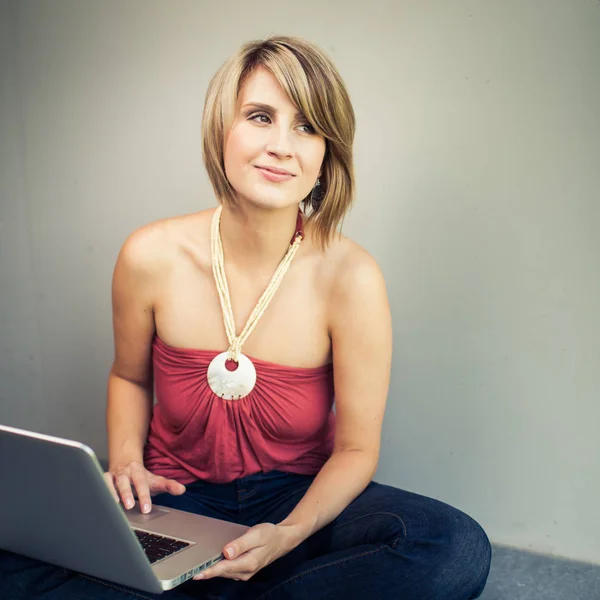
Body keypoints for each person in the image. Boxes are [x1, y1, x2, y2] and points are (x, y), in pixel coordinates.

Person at [0, 36, 491, 599]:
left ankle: (210, 582)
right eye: (261, 117)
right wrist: (128, 462)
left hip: (295, 502)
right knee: (13, 551)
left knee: (451, 547)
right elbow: (130, 376)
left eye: (307, 127)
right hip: (175, 497)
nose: (282, 146)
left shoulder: (351, 277)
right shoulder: (150, 255)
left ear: (328, 153)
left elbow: (356, 449)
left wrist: (288, 534)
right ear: (221, 131)